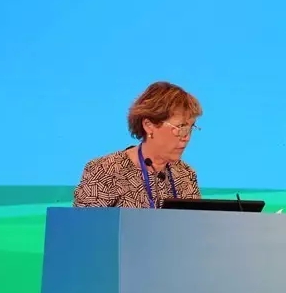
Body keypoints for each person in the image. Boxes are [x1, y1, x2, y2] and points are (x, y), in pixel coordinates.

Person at [73, 81, 203, 208]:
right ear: (149, 126)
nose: (187, 137)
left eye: (190, 127)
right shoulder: (106, 171)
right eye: (181, 127)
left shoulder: (186, 174)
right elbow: (82, 222)